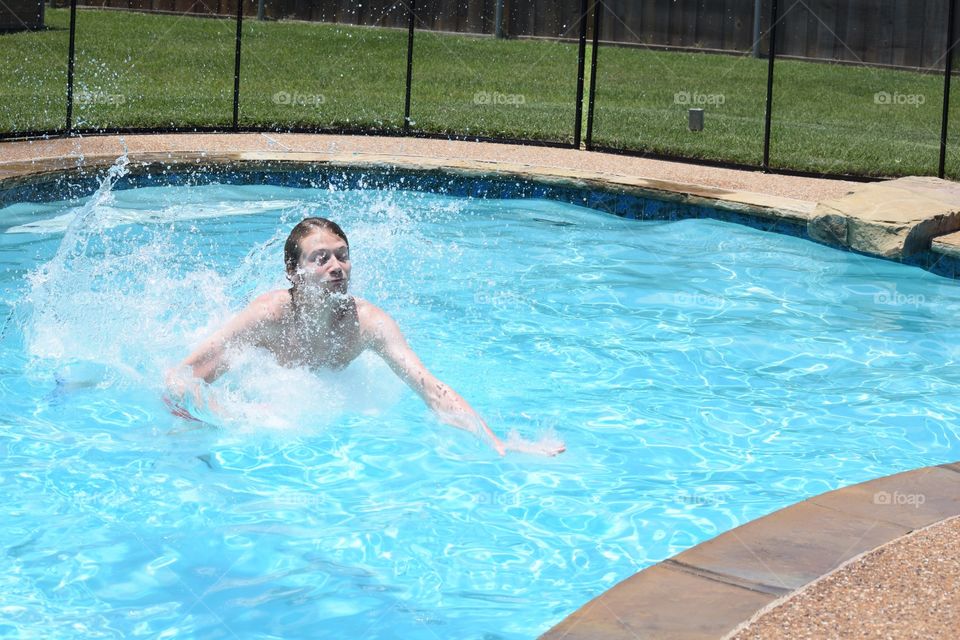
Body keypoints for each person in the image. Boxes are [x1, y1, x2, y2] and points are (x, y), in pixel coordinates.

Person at [167, 217, 564, 457]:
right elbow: (180, 378)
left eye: (342, 255)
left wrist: (493, 440)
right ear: (293, 271)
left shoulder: (368, 323)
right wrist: (228, 420)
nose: (336, 266)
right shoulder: (269, 315)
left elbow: (428, 387)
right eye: (320, 258)